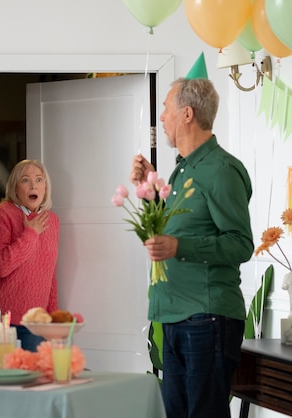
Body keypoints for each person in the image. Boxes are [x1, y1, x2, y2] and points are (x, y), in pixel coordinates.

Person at [130, 53, 253, 418]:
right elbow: (174, 232)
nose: (162, 117)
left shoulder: (221, 170)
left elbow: (240, 243)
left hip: (207, 317)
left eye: (166, 108)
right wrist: (152, 190)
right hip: (175, 316)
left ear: (187, 114)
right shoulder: (181, 173)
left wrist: (180, 247)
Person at [0, 159, 60, 351]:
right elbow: (1, 266)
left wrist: (52, 318)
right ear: (15, 188)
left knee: (38, 378)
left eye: (39, 180)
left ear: (45, 187)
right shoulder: (3, 214)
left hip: (39, 322)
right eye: (25, 180)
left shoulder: (52, 221)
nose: (34, 185)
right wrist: (30, 233)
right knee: (12, 379)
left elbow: (50, 274)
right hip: (9, 322)